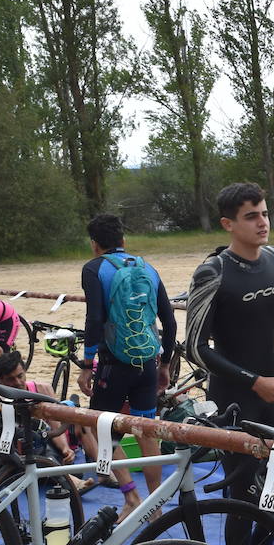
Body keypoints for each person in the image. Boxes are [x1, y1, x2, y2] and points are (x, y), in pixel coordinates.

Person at [185, 182, 274, 498]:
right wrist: (255, 382)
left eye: (265, 214)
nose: (263, 222)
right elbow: (195, 348)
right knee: (241, 490)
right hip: (234, 398)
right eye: (252, 216)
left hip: (273, 392)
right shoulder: (212, 272)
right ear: (228, 224)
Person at [78, 214, 178, 517]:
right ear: (123, 240)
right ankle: (156, 508)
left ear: (95, 244)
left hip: (114, 363)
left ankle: (131, 497)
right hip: (148, 361)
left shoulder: (94, 269)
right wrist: (166, 363)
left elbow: (94, 319)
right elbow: (170, 321)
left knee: (97, 428)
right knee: (146, 431)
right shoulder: (148, 268)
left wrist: (86, 364)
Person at [0, 350, 78, 468]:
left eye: (20, 376)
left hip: (52, 436)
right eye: (10, 379)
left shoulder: (43, 389)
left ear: (25, 371)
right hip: (31, 444)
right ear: (0, 380)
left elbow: (56, 425)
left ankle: (106, 474)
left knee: (83, 423)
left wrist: (65, 448)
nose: (17, 382)